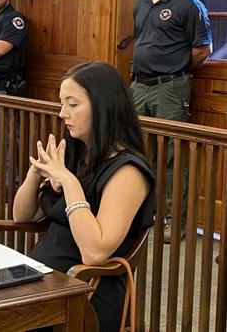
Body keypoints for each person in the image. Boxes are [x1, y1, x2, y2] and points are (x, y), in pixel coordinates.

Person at [13, 61, 156, 332]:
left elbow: (94, 252)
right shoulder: (78, 154)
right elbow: (22, 215)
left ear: (103, 107)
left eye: (73, 104)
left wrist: (68, 181)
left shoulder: (128, 171)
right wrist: (37, 172)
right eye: (62, 103)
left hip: (86, 292)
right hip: (44, 281)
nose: (62, 112)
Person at [130, 0, 212, 241]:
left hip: (170, 88)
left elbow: (203, 49)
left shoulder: (188, 4)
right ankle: (145, 212)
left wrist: (174, 70)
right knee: (139, 151)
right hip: (139, 86)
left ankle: (175, 221)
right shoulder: (140, 4)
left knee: (172, 156)